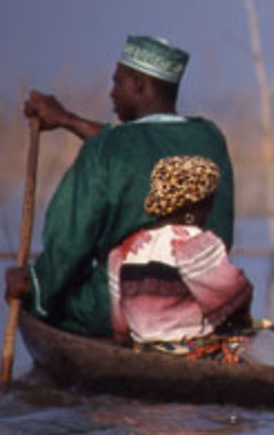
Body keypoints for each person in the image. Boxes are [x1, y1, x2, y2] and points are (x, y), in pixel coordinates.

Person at [5, 35, 235, 337]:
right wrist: (67, 120)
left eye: (117, 83)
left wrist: (34, 285)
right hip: (207, 300)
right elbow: (140, 148)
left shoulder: (105, 151)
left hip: (123, 308)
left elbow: (69, 242)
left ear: (138, 85)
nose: (111, 93)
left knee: (51, 301)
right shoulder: (208, 137)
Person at [108, 155, 252, 347]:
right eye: (209, 201)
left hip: (144, 349)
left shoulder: (124, 251)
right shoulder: (192, 244)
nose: (210, 210)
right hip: (190, 350)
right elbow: (233, 296)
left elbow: (120, 327)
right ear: (196, 205)